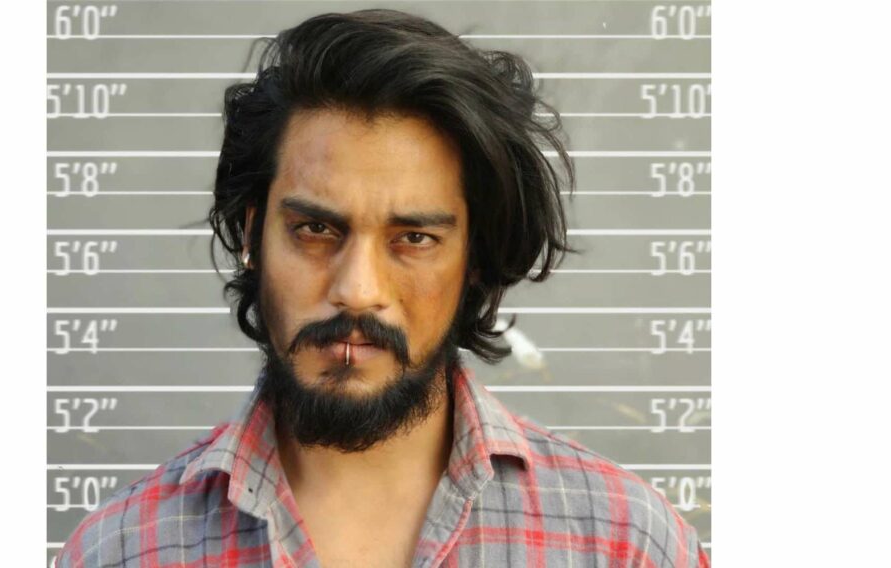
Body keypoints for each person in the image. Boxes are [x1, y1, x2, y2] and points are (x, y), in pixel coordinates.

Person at [56, 9, 709, 567]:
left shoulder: (623, 542)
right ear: (253, 235)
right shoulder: (120, 551)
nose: (357, 290)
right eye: (315, 229)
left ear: (474, 258)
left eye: (413, 238)